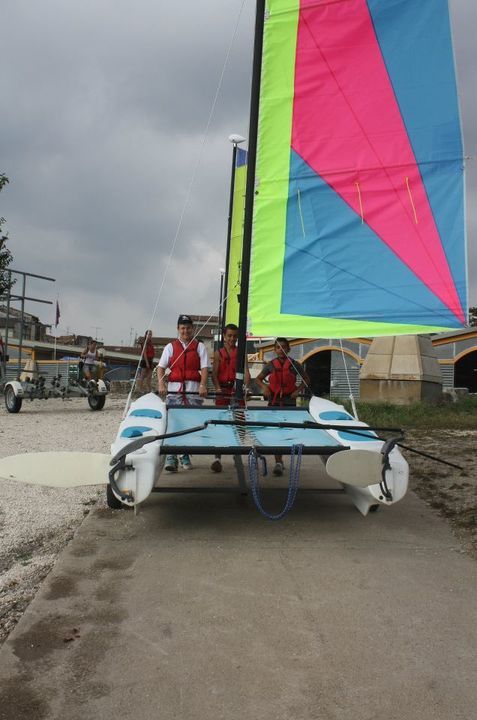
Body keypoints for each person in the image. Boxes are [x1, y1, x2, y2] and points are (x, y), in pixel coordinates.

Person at [157, 315, 209, 472]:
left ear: (192, 329)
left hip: (193, 391)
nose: (185, 331)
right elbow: (161, 367)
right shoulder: (170, 347)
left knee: (189, 424)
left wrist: (203, 385)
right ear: (178, 329)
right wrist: (161, 382)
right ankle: (171, 457)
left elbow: (205, 368)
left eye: (188, 328)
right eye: (182, 328)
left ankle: (184, 454)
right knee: (173, 424)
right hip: (174, 391)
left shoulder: (199, 347)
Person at [255, 337, 309, 477]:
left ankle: (280, 461)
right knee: (274, 432)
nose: (281, 350)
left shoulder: (295, 364)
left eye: (284, 347)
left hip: (288, 403)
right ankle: (278, 462)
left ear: (288, 349)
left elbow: (306, 380)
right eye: (278, 347)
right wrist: (265, 387)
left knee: (285, 433)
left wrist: (297, 390)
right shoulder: (270, 365)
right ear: (274, 350)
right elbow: (258, 379)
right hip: (273, 403)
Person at [210, 323, 251, 473]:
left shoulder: (241, 353)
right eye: (229, 336)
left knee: (240, 423)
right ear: (224, 336)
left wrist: (246, 387)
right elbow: (214, 374)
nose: (232, 338)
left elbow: (246, 372)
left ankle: (237, 454)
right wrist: (218, 389)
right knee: (220, 423)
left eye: (234, 336)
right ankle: (217, 458)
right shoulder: (217, 353)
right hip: (222, 390)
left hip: (237, 391)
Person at [138, 329, 155, 394]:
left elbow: (152, 353)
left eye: (151, 334)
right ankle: (140, 389)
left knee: (149, 376)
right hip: (145, 360)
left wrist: (151, 362)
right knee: (142, 375)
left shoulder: (151, 343)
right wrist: (147, 363)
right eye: (148, 334)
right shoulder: (144, 343)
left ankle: (149, 389)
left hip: (150, 360)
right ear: (146, 335)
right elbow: (144, 353)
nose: (150, 336)